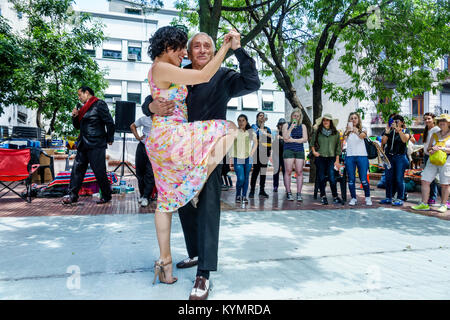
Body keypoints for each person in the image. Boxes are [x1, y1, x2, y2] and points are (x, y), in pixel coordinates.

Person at [145, 29, 260, 300]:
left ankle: (203, 275)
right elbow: (150, 99)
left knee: (208, 209)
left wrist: (237, 49)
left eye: (206, 45)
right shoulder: (177, 69)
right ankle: (195, 254)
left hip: (210, 150)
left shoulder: (223, 75)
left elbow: (252, 82)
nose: (199, 50)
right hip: (180, 148)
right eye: (194, 46)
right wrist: (151, 107)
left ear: (212, 49)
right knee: (182, 206)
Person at [62, 86, 115, 205]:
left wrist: (109, 138)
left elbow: (109, 122)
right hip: (83, 143)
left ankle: (107, 195)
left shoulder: (99, 104)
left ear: (87, 93)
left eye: (80, 95)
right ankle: (72, 195)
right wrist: (74, 116)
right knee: (77, 169)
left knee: (99, 170)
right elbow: (77, 126)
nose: (79, 98)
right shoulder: (82, 108)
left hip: (96, 143)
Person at [412, 114, 450, 213]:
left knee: (445, 184)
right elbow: (428, 148)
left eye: (444, 121)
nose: (442, 122)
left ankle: (443, 205)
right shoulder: (435, 134)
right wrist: (432, 149)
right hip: (432, 160)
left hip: (446, 161)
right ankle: (424, 204)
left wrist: (442, 149)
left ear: (448, 123)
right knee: (425, 180)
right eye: (440, 120)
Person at [310, 113, 344, 205]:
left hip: (332, 158)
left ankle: (335, 196)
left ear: (331, 122)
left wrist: (337, 160)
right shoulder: (318, 131)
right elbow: (312, 143)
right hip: (320, 158)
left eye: (327, 120)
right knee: (321, 177)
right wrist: (314, 152)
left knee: (332, 177)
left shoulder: (336, 133)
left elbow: (338, 148)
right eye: (324, 120)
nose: (325, 122)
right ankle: (323, 196)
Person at [379, 114, 411, 206]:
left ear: (402, 123)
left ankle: (400, 198)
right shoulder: (390, 131)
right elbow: (384, 142)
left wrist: (399, 130)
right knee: (388, 178)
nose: (395, 123)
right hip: (389, 157)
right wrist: (387, 131)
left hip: (400, 157)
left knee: (399, 178)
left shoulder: (405, 131)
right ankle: (388, 197)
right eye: (394, 121)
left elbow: (405, 140)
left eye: (397, 121)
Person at [130, 100, 155, 207]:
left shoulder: (163, 121)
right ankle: (142, 195)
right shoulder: (144, 119)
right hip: (142, 147)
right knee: (140, 172)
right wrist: (137, 137)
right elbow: (132, 126)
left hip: (154, 150)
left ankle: (146, 196)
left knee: (150, 173)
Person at [343, 112, 372, 206]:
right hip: (350, 156)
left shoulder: (363, 129)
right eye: (351, 118)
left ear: (358, 119)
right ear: (349, 120)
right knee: (351, 179)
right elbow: (344, 139)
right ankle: (353, 198)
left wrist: (355, 130)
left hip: (362, 156)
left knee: (363, 179)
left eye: (355, 118)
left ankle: (367, 197)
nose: (353, 120)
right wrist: (348, 131)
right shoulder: (347, 130)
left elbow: (361, 136)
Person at [230, 114, 257, 203]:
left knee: (246, 178)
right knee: (240, 178)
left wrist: (251, 154)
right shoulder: (235, 131)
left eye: (243, 120)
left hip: (248, 158)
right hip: (237, 157)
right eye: (239, 120)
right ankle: (238, 194)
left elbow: (256, 143)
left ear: (246, 121)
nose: (241, 122)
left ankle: (244, 196)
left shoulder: (250, 132)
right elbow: (229, 143)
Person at [282, 109, 308, 201]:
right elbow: (285, 138)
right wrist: (291, 128)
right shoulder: (286, 125)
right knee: (288, 171)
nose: (296, 117)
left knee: (299, 171)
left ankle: (299, 193)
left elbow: (305, 139)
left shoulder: (303, 126)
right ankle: (289, 192)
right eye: (294, 115)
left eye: (297, 116)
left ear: (300, 117)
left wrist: (292, 140)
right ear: (291, 116)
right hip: (288, 149)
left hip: (299, 150)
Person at [249, 112, 272, 198]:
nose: (262, 117)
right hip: (256, 152)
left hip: (265, 152)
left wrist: (269, 151)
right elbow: (257, 135)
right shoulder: (254, 127)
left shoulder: (268, 128)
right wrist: (262, 127)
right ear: (257, 117)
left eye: (263, 116)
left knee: (263, 173)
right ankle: (252, 191)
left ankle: (262, 190)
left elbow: (270, 138)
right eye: (260, 116)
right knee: (255, 172)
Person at [422, 112, 440, 205]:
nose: (427, 121)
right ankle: (431, 197)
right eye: (425, 119)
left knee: (434, 179)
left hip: (434, 156)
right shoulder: (427, 130)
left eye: (429, 118)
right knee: (429, 179)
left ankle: (433, 198)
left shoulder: (436, 129)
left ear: (433, 119)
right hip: (427, 156)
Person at [272, 118, 287, 193]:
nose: (281, 126)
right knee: (276, 171)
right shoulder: (275, 133)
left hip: (284, 155)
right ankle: (275, 186)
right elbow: (272, 143)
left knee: (285, 171)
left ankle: (286, 186)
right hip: (276, 154)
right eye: (280, 125)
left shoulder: (287, 133)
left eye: (283, 124)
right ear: (278, 125)